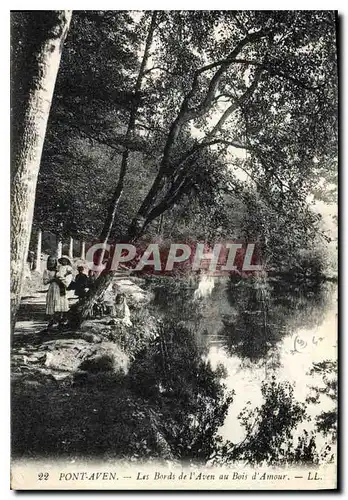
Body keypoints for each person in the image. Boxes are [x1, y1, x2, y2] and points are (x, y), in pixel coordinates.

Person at [43, 255, 72, 329]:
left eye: (53, 261)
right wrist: (52, 279)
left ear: (56, 262)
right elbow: (45, 282)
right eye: (50, 261)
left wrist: (63, 278)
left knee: (60, 302)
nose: (52, 262)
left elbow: (66, 276)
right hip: (52, 288)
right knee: (53, 303)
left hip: (60, 287)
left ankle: (60, 321)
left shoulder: (59, 269)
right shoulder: (47, 271)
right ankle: (52, 320)